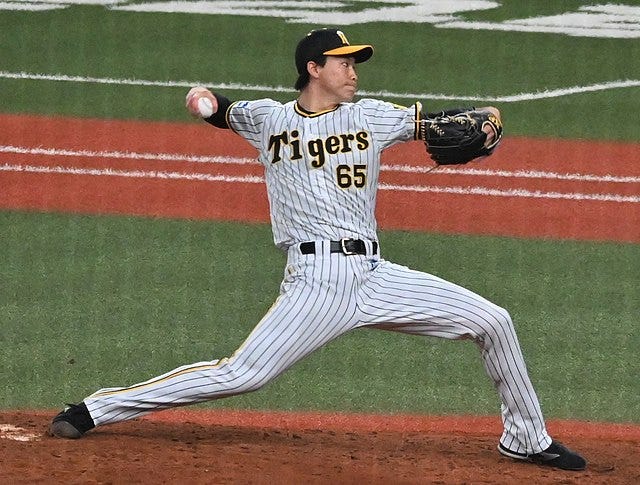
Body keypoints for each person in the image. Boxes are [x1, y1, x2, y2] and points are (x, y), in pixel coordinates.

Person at [50, 28, 586, 471]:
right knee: (243, 375)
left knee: (493, 321)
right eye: (343, 62)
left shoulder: (372, 116)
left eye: (356, 64)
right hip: (314, 283)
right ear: (313, 67)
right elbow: (220, 110)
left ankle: (526, 438)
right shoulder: (269, 118)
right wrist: (203, 100)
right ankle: (97, 407)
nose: (354, 72)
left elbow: (440, 122)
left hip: (375, 274)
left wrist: (484, 119)